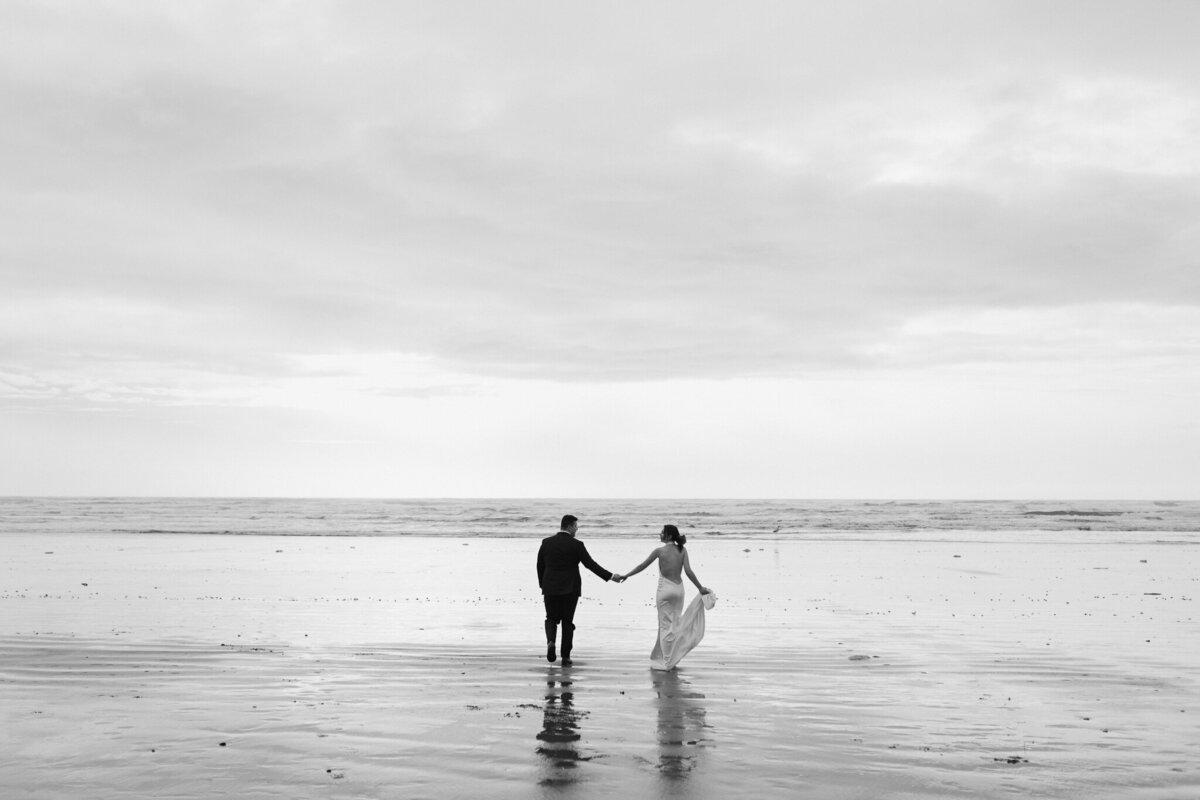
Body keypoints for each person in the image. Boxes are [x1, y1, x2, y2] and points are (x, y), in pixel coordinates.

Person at [620, 524, 714, 671]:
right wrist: (700, 588)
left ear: (669, 536)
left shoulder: (659, 551)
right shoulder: (682, 550)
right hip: (679, 590)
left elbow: (642, 566)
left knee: (665, 626)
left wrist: (626, 575)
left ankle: (667, 662)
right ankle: (671, 658)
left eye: (662, 532)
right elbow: (688, 572)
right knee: (674, 624)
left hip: (665, 590)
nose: (660, 534)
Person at [537, 514, 623, 666]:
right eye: (576, 526)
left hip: (550, 588)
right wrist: (610, 576)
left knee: (551, 618)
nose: (577, 529)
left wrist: (543, 585)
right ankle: (565, 657)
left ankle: (551, 642)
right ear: (569, 526)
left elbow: (540, 565)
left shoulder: (547, 542)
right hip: (570, 589)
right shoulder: (577, 545)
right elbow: (590, 564)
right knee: (567, 622)